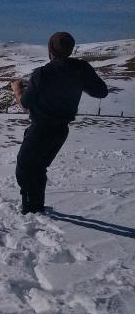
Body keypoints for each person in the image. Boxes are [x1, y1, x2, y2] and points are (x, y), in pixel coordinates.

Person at [11, 32, 107, 214]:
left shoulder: (42, 73)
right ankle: (36, 207)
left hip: (40, 129)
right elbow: (101, 92)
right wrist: (79, 82)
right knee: (39, 167)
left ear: (51, 49)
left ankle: (30, 210)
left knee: (24, 168)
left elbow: (24, 104)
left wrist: (17, 90)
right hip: (61, 130)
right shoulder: (81, 68)